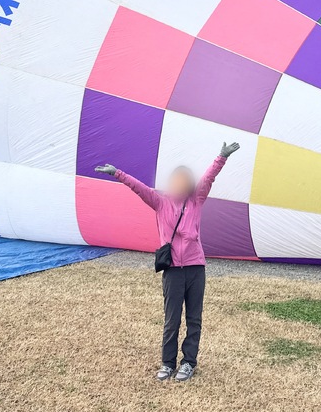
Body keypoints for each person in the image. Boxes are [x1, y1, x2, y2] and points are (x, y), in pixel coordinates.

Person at [95, 141, 240, 382]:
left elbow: (208, 178)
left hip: (195, 268)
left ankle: (188, 362)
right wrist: (117, 173)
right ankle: (167, 363)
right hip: (172, 270)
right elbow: (139, 188)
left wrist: (221, 157)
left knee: (194, 318)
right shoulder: (160, 203)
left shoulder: (196, 200)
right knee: (172, 319)